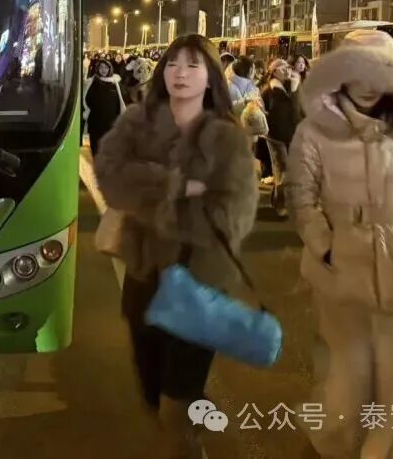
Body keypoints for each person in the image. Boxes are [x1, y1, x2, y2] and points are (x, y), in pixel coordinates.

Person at [286, 29, 393, 459]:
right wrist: (325, 246)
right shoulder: (314, 129)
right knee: (348, 382)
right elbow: (301, 195)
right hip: (341, 271)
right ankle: (334, 445)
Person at [94, 35, 258, 459]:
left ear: (211, 76)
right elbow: (110, 175)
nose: (180, 73)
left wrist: (159, 197)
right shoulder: (137, 121)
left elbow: (237, 208)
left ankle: (187, 442)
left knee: (179, 393)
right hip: (145, 273)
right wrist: (176, 185)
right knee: (150, 381)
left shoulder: (226, 134)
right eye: (173, 64)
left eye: (193, 65)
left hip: (201, 278)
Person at [261, 58, 301, 218]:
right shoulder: (269, 90)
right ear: (274, 72)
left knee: (288, 170)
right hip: (275, 136)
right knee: (282, 169)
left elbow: (299, 109)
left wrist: (295, 88)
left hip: (292, 134)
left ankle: (277, 200)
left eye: (288, 68)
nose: (287, 71)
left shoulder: (293, 86)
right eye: (283, 68)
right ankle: (280, 205)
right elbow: (264, 112)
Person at [84, 58, 127, 155]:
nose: (103, 70)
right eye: (101, 68)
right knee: (96, 147)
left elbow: (121, 100)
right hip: (96, 121)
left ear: (110, 69)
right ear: (97, 69)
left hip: (110, 121)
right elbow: (87, 99)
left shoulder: (115, 83)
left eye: (106, 68)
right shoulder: (92, 82)